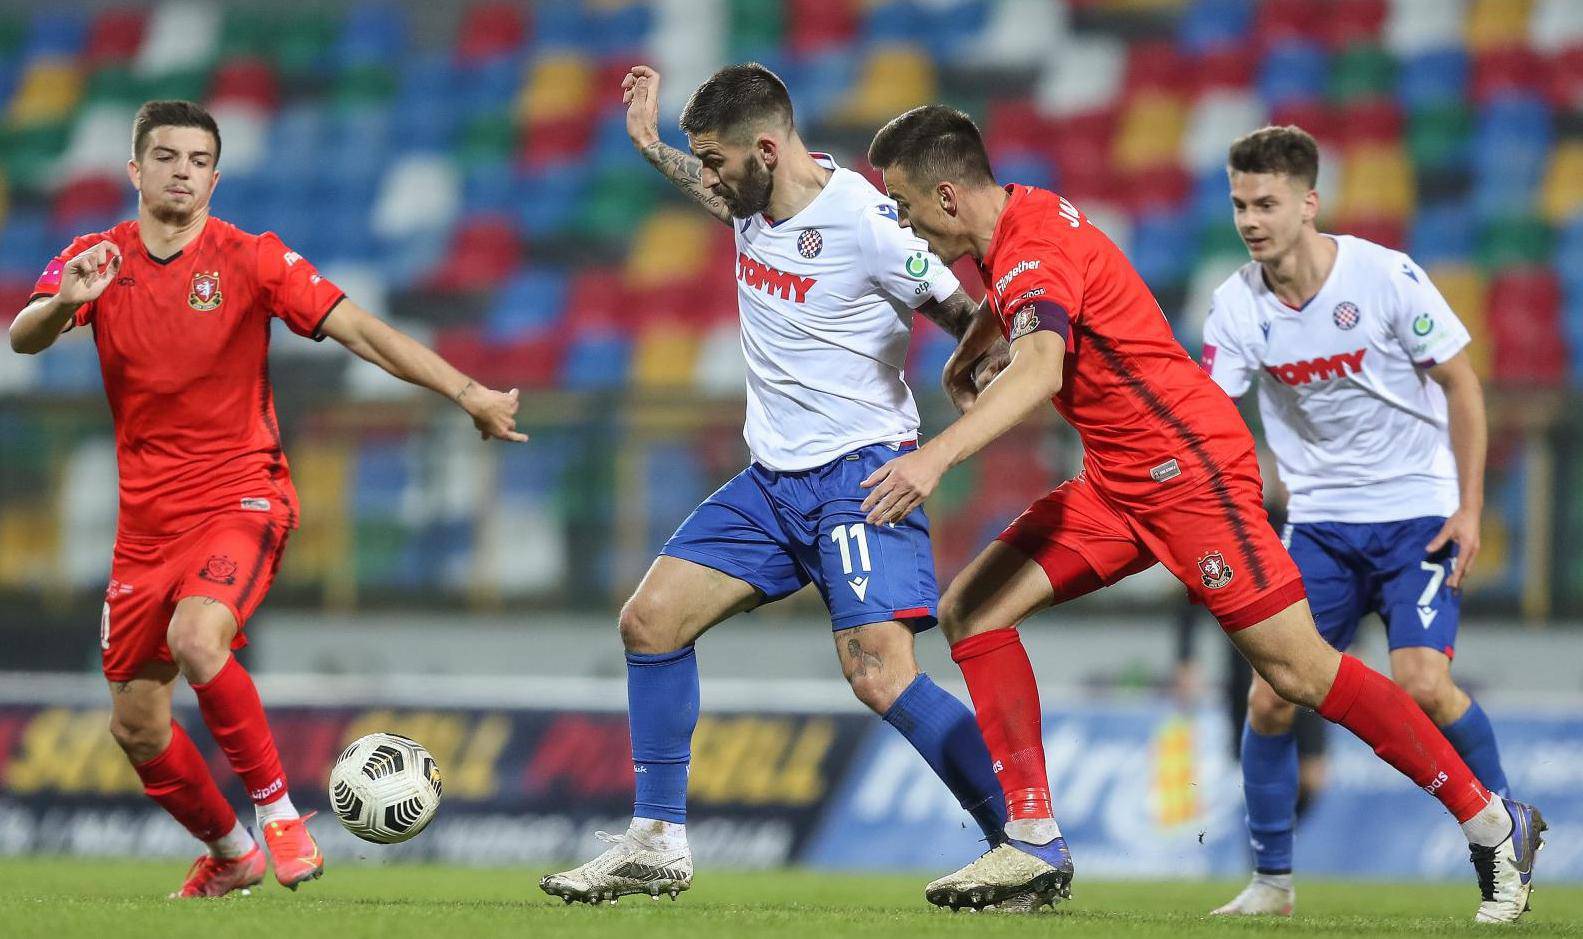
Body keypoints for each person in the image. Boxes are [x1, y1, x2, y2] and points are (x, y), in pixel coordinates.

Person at [860, 104, 1544, 923]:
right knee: (970, 611)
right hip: (1117, 482)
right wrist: (969, 353)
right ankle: (1034, 837)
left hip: (1191, 477)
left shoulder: (1031, 247)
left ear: (944, 195)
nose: (904, 226)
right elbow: (1018, 311)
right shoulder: (1022, 219)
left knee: (1298, 673)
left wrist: (935, 452)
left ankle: (1494, 823)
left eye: (901, 206)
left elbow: (1041, 366)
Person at [8, 100, 526, 898]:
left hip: (242, 496)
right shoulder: (94, 258)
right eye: (167, 155)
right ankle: (231, 852)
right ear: (134, 169)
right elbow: (23, 336)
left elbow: (361, 329)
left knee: (198, 636)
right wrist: (64, 302)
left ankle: (280, 817)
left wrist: (467, 391)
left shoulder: (251, 259)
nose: (182, 170)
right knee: (137, 725)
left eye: (198, 159)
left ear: (216, 174)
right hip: (144, 527)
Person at [539, 65, 1010, 905]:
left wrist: (976, 372)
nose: (711, 180)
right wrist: (650, 147)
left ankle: (1019, 839)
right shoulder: (751, 203)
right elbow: (716, 194)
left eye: (716, 161)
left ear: (765, 147)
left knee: (878, 673)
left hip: (862, 475)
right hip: (771, 481)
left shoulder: (868, 222)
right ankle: (655, 840)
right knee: (649, 621)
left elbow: (964, 308)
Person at [1200, 124, 1511, 917]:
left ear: (1308, 203)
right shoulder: (1235, 305)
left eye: (1264, 202)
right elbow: (1208, 412)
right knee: (1270, 697)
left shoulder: (1383, 277)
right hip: (1320, 524)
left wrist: (1469, 505)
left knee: (1422, 683)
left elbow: (1461, 385)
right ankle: (1271, 881)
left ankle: (1505, 832)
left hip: (1416, 514)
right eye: (1238, 203)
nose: (1249, 220)